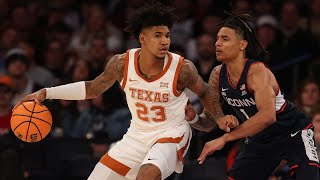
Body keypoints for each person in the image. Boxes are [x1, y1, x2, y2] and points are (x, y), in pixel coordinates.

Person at [14, 3, 238, 180]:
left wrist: (217, 118)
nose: (165, 41)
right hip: (137, 136)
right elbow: (93, 88)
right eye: (158, 35)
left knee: (146, 175)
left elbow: (206, 92)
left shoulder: (182, 68)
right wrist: (46, 93)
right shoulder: (122, 63)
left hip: (172, 133)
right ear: (143, 38)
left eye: (167, 35)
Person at [186, 12, 319, 180]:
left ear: (242, 45)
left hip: (292, 131)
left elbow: (267, 116)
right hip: (260, 139)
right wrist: (193, 118)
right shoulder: (217, 75)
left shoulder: (257, 72)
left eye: (225, 39)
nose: (217, 43)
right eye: (217, 38)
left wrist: (225, 138)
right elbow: (209, 121)